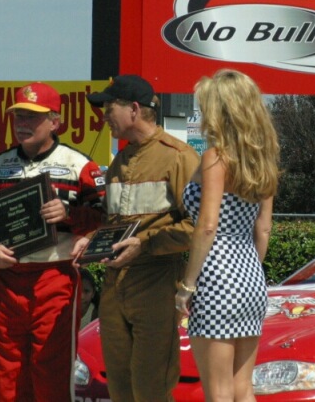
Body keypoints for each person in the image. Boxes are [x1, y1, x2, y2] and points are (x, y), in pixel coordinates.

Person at [0, 82, 104, 402]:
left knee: (51, 369)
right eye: (18, 116)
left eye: (32, 117)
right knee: (7, 371)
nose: (22, 124)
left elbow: (106, 217)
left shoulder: (79, 165)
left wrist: (70, 214)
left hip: (55, 277)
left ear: (55, 122)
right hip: (7, 279)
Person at [83, 74, 201, 402]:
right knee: (119, 387)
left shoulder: (179, 157)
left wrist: (144, 244)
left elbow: (199, 227)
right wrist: (90, 240)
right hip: (114, 285)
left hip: (156, 283)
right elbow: (113, 224)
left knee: (151, 388)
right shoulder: (119, 161)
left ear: (134, 110)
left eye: (109, 108)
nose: (104, 117)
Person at [174, 69, 278, 402]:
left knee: (217, 392)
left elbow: (207, 225)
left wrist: (187, 286)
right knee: (242, 388)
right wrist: (247, 270)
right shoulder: (262, 161)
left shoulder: (216, 158)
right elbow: (263, 228)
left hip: (216, 275)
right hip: (250, 275)